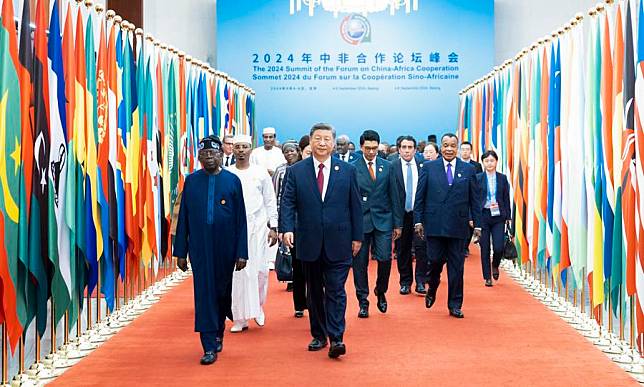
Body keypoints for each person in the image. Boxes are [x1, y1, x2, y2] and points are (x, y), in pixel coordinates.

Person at [281, 123, 363, 359]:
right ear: (311, 140)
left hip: (340, 240)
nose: (322, 143)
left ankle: (337, 337)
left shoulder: (347, 170)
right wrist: (286, 228)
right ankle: (318, 334)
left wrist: (357, 236)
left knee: (336, 290)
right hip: (308, 240)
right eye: (318, 138)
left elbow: (355, 205)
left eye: (327, 139)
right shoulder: (297, 171)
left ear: (334, 143)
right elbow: (288, 202)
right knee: (315, 291)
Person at [173, 136, 248, 365]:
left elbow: (240, 220)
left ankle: (219, 329)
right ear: (199, 157)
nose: (209, 157)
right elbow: (183, 218)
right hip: (200, 249)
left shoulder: (232, 181)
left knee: (222, 293)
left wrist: (242, 252)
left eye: (213, 154)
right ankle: (208, 345)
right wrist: (180, 251)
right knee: (204, 294)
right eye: (204, 154)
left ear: (221, 155)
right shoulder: (191, 181)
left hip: (226, 248)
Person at [414, 133, 482, 319]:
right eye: (446, 145)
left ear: (457, 147)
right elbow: (420, 196)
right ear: (440, 147)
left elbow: (475, 200)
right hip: (435, 224)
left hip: (458, 226)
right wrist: (418, 221)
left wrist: (478, 225)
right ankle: (433, 286)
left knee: (457, 267)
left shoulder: (468, 169)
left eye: (453, 145)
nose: (449, 149)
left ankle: (455, 304)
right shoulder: (428, 167)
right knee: (434, 261)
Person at [228, 135, 279, 332]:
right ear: (233, 150)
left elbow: (270, 200)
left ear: (250, 150)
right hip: (235, 229)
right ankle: (239, 318)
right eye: (238, 147)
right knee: (239, 274)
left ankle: (258, 306)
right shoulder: (227, 173)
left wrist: (273, 226)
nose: (241, 150)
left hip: (259, 227)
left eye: (245, 147)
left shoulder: (260, 173)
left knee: (260, 271)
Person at [352, 130, 403, 318]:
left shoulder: (387, 167)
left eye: (374, 148)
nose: (371, 152)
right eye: (368, 148)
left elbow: (395, 196)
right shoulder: (352, 167)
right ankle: (363, 301)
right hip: (360, 222)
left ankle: (381, 291)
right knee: (360, 264)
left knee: (384, 259)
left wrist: (398, 224)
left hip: (384, 220)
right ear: (361, 147)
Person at [273, 141, 307, 317]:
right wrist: (282, 226)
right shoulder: (290, 172)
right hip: (295, 226)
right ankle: (300, 304)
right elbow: (282, 200)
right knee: (298, 266)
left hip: (319, 229)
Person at [392, 136, 428, 295]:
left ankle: (421, 282)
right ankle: (405, 282)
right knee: (402, 249)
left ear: (415, 149)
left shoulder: (424, 166)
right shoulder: (391, 166)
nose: (407, 150)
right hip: (400, 215)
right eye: (404, 147)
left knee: (421, 249)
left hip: (419, 214)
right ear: (399, 149)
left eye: (410, 147)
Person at [476, 150, 512, 287]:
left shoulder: (502, 178)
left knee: (498, 247)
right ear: (483, 163)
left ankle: (495, 264)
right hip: (483, 216)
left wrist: (508, 216)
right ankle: (487, 277)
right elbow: (473, 200)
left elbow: (506, 198)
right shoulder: (478, 178)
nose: (489, 163)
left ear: (496, 162)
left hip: (498, 217)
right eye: (486, 161)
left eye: (492, 160)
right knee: (484, 247)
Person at [460, 141, 482, 257]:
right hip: (459, 197)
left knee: (470, 223)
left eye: (467, 149)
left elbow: (479, 182)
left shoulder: (476, 166)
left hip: (471, 197)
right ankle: (461, 246)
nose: (465, 151)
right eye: (463, 149)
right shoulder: (456, 164)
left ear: (471, 151)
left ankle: (465, 246)